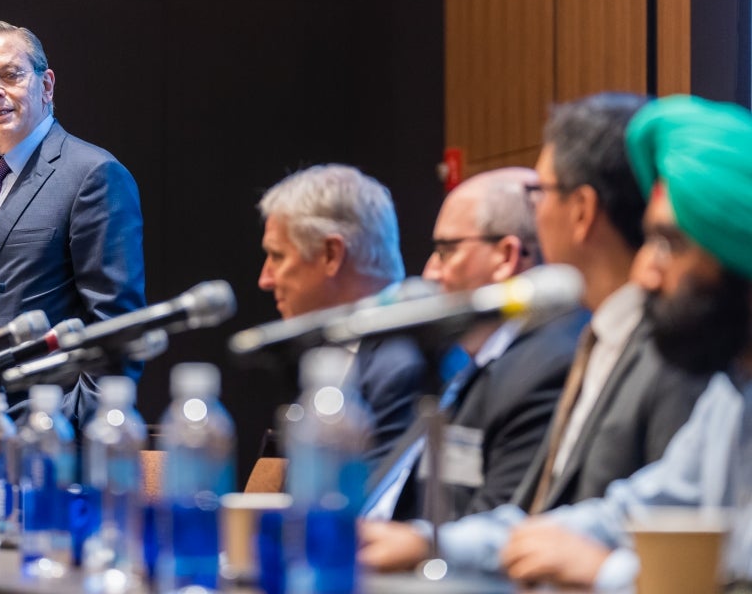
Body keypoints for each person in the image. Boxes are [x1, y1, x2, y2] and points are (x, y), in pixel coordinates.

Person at [366, 94, 752, 588]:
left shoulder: (687, 362)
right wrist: (432, 543)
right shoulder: (730, 396)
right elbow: (627, 515)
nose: (647, 272)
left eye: (670, 245)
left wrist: (605, 572)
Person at [361, 166, 586, 523]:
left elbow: (498, 526)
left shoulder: (544, 368)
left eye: (446, 251)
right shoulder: (467, 363)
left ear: (506, 257)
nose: (431, 271)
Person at [0, 20, 146, 427]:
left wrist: (64, 430)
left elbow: (119, 331)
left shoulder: (93, 175)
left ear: (47, 85)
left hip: (49, 444)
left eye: (10, 75)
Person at [257, 164, 432, 465]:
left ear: (331, 255)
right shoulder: (331, 348)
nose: (265, 279)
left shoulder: (403, 362)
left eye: (277, 256)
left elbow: (366, 504)